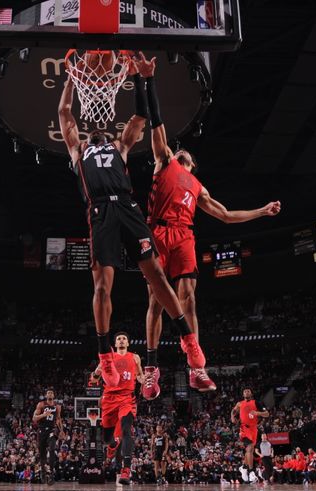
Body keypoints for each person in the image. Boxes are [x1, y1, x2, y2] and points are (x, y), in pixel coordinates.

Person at [58, 53, 208, 392]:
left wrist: (143, 78)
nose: (95, 128)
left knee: (156, 275)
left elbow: (141, 116)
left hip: (128, 208)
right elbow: (65, 113)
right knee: (101, 286)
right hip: (100, 212)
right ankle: (105, 354)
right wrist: (69, 78)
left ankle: (188, 339)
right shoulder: (78, 150)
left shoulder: (119, 146)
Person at [136, 51, 282, 399]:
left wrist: (261, 211)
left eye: (188, 156)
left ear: (193, 166)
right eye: (180, 153)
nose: (182, 154)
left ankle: (196, 368)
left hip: (185, 235)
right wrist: (147, 80)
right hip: (157, 231)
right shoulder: (165, 161)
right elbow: (156, 122)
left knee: (189, 298)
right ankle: (153, 367)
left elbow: (227, 215)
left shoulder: (197, 187)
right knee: (156, 301)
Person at [88, 332, 144, 485]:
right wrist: (95, 375)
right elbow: (96, 376)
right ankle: (112, 445)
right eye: (118, 338)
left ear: (128, 343)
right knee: (107, 439)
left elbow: (139, 376)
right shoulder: (109, 358)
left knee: (127, 430)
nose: (121, 340)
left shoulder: (135, 357)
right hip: (109, 399)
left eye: (124, 338)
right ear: (115, 343)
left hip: (127, 398)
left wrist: (145, 381)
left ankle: (126, 469)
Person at [230, 388, 269, 483]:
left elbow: (267, 414)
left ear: (251, 393)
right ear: (243, 394)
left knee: (249, 450)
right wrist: (232, 417)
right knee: (250, 448)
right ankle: (251, 471)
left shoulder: (256, 403)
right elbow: (233, 411)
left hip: (253, 429)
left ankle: (244, 467)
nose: (246, 392)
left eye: (248, 391)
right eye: (244, 391)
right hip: (243, 428)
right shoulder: (240, 403)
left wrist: (257, 413)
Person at [32, 389, 65, 485]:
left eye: (52, 393)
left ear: (54, 395)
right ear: (46, 395)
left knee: (52, 448)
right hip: (42, 430)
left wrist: (62, 430)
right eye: (48, 393)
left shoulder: (57, 406)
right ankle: (43, 472)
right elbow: (34, 418)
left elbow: (58, 419)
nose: (50, 394)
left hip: (52, 430)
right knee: (42, 454)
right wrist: (43, 415)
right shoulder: (41, 405)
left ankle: (51, 474)